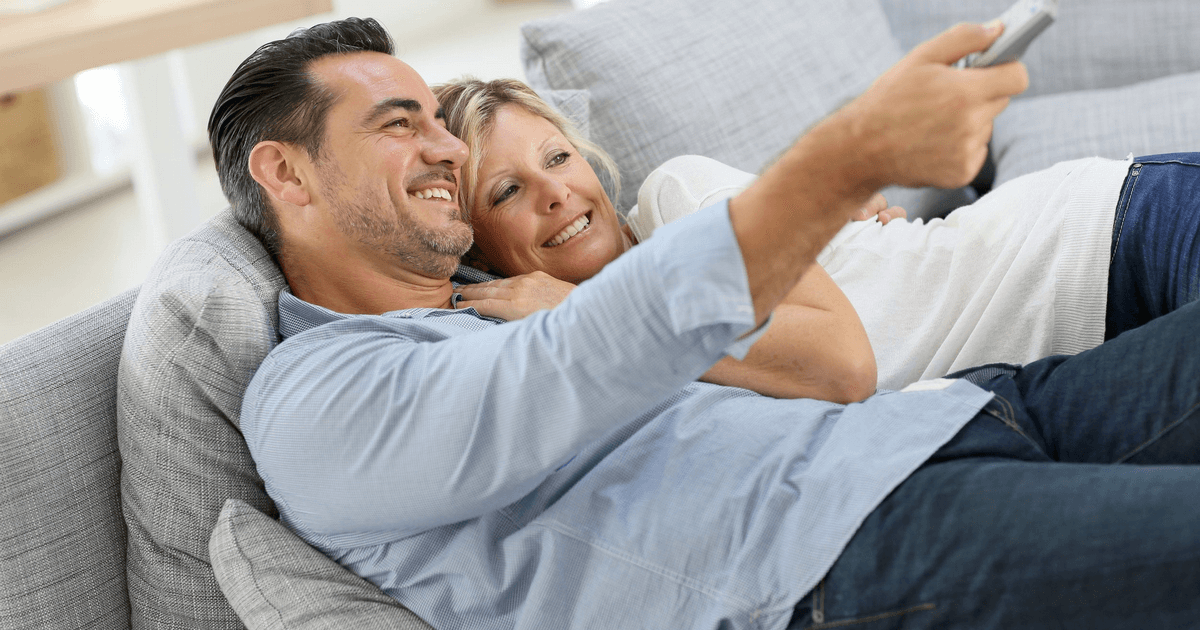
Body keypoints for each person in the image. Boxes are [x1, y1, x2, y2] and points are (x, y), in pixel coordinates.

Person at [216, 17, 1200, 630]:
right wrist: (848, 156)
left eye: (437, 123)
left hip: (941, 422)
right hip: (833, 555)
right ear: (286, 173)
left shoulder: (491, 295)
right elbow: (567, 367)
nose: (441, 148)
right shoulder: (312, 399)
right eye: (399, 124)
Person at [436, 78, 1200, 390]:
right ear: (475, 249)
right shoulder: (598, 365)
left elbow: (838, 364)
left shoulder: (675, 198)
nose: (555, 193)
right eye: (508, 190)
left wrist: (582, 316)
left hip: (1106, 237)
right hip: (1084, 352)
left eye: (558, 157)